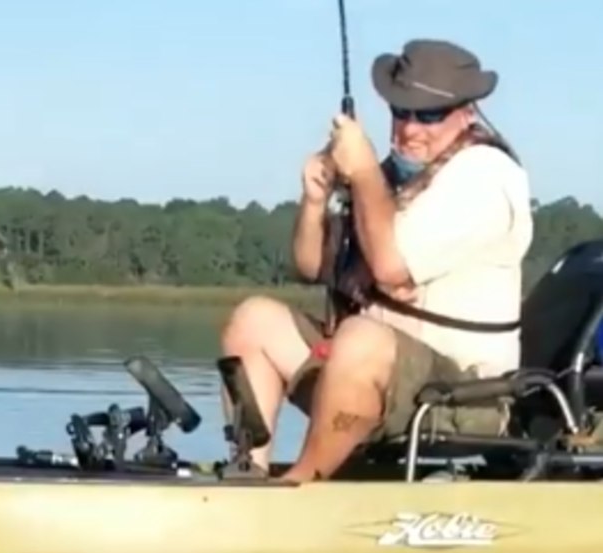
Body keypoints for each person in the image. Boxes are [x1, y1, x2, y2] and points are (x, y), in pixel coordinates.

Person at [220, 38, 533, 482]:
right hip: (364, 375)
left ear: (467, 113)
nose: (409, 128)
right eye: (400, 110)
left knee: (360, 338)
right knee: (254, 319)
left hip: (462, 395)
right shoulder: (392, 178)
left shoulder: (484, 176)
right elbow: (310, 268)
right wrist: (314, 200)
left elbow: (390, 267)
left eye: (429, 115)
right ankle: (246, 472)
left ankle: (300, 486)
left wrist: (364, 171)